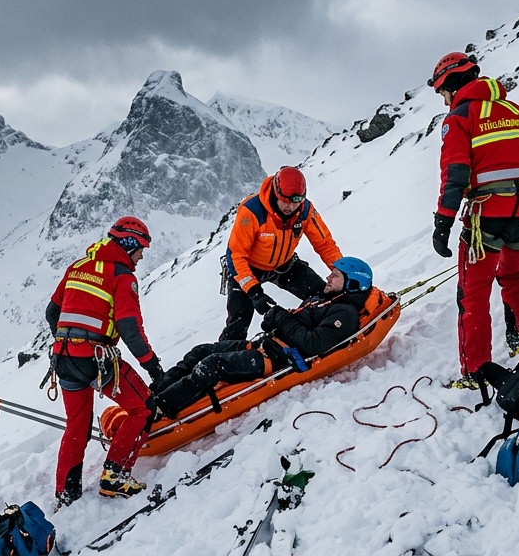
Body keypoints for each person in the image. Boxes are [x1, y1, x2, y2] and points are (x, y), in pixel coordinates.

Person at [427, 52, 519, 389]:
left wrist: (444, 222)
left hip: (487, 217)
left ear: (451, 86)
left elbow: (456, 174)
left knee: (473, 293)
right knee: (514, 275)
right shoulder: (517, 112)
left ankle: (476, 371)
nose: (443, 100)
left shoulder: (459, 118)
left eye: (442, 93)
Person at [153, 257, 374, 418]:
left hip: (278, 358)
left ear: (352, 283)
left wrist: (279, 317)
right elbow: (298, 323)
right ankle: (155, 393)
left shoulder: (344, 314)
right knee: (201, 351)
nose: (327, 276)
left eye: (335, 275)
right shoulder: (326, 299)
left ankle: (160, 408)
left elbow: (313, 344)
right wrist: (275, 318)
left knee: (212, 365)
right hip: (266, 345)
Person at [46, 216, 166, 507]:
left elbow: (52, 313)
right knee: (143, 408)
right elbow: (129, 327)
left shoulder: (78, 267)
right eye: (140, 249)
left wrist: (68, 340)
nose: (140, 256)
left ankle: (66, 491)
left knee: (77, 425)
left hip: (63, 358)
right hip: (95, 359)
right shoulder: (121, 275)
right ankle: (115, 476)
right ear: (128, 244)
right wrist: (152, 365)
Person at [219, 166, 345, 340]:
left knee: (322, 297)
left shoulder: (305, 210)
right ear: (276, 193)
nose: (290, 206)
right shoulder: (252, 211)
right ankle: (224, 357)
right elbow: (235, 255)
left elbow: (325, 244)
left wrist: (341, 271)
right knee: (238, 323)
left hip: (285, 266)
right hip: (247, 269)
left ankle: (326, 333)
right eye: (285, 201)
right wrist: (255, 292)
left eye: (296, 201)